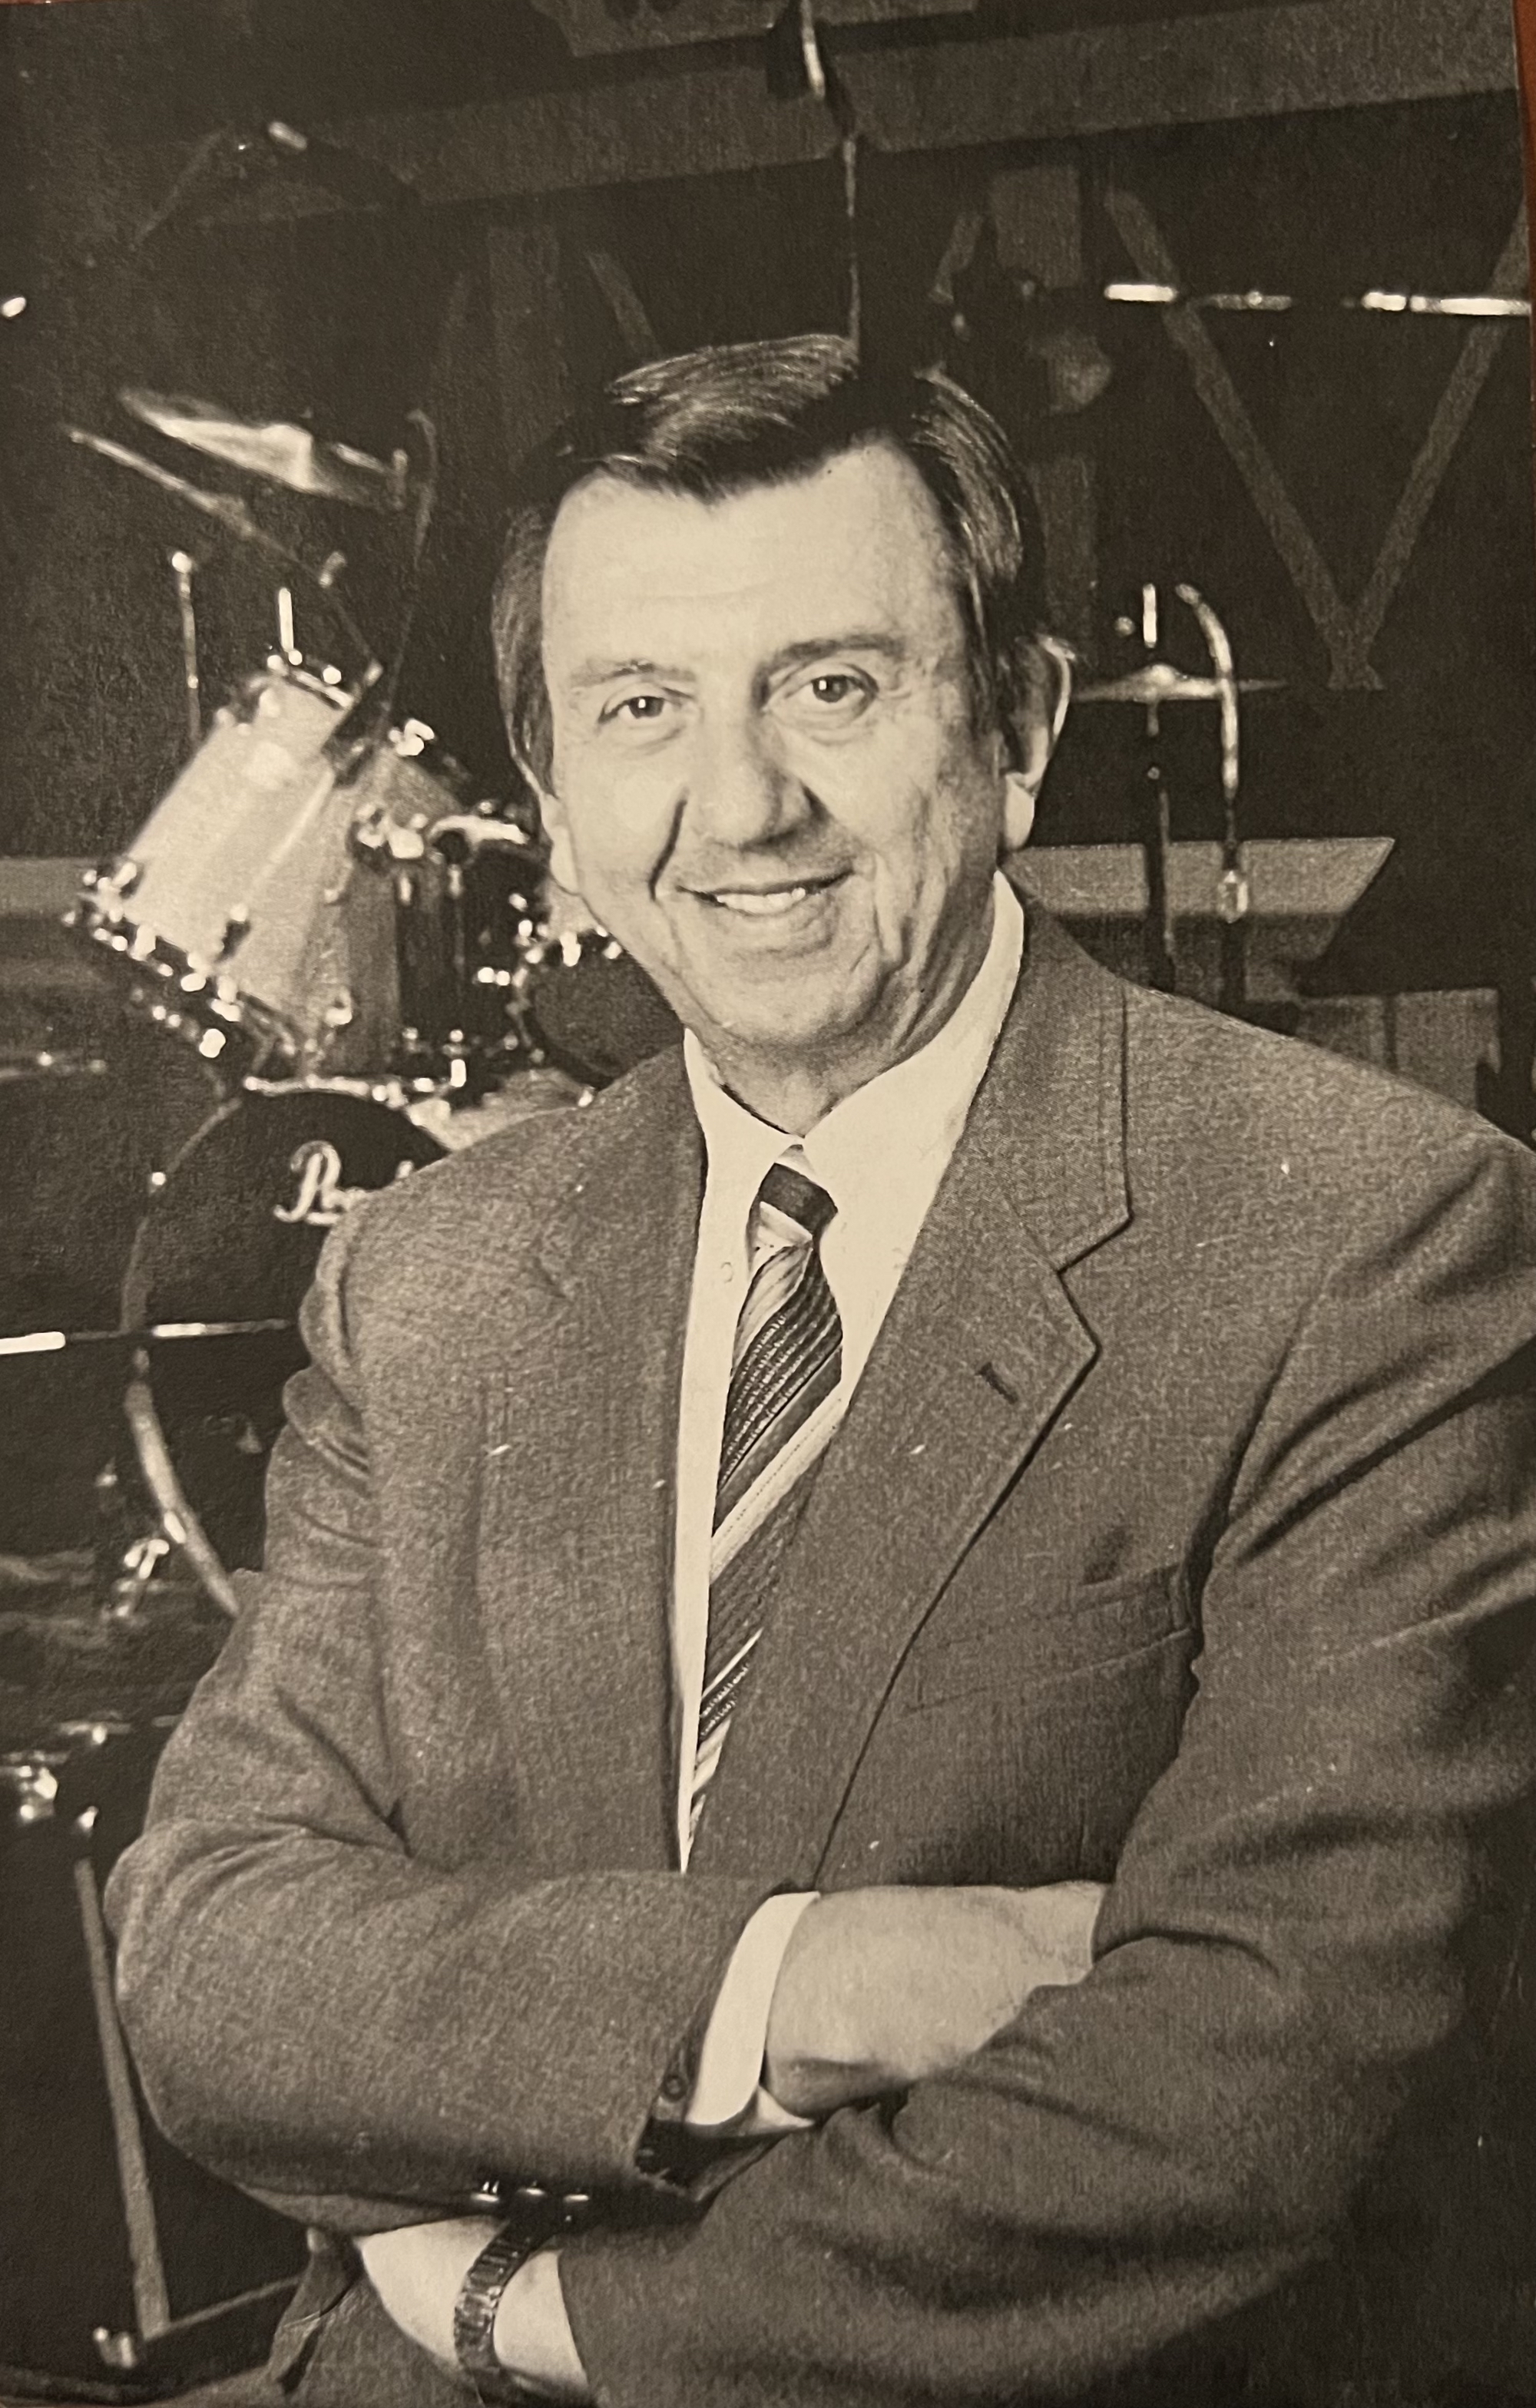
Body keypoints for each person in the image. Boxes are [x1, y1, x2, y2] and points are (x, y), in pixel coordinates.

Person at [106, 335, 1536, 2408]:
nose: (744, 805)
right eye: (642, 711)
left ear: (1018, 727)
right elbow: (212, 1965)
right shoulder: (429, 1280)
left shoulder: (1371, 1238)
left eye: (833, 688)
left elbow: (1255, 2082)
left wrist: (543, 2312)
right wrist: (799, 1984)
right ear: (554, 807)